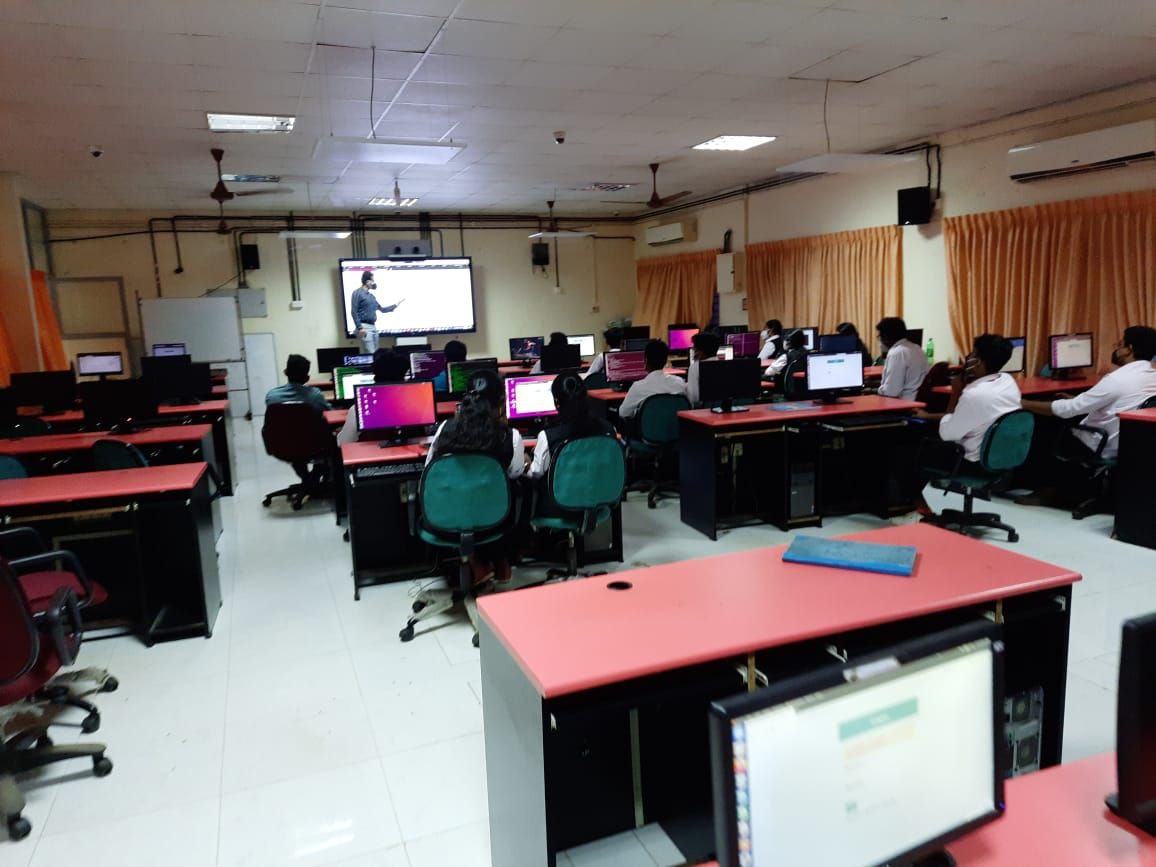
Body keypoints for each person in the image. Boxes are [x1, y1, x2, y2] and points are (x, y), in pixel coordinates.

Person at [1023, 326, 1156, 460]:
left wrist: (1023, 403)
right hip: (1135, 445)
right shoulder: (1152, 376)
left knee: (1047, 428)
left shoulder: (1117, 379)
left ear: (1129, 349)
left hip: (1100, 445)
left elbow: (1067, 409)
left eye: (1120, 344)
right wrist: (1080, 399)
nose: (1116, 349)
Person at [427, 369, 524, 479]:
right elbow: (515, 473)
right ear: (501, 404)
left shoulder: (444, 428)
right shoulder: (510, 437)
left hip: (451, 494)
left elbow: (429, 468)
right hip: (491, 496)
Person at [527, 373, 616, 479]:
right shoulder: (609, 429)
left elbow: (536, 473)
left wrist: (526, 463)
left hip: (564, 494)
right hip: (600, 492)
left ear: (556, 402)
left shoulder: (548, 437)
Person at [336, 348, 409, 446]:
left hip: (371, 460)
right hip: (415, 458)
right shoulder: (417, 405)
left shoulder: (359, 409)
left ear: (375, 377)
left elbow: (343, 443)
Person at [618, 339, 687, 419]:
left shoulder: (638, 387)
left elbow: (623, 413)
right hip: (675, 430)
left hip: (647, 430)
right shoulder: (679, 382)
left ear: (646, 360)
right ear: (665, 361)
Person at [350, 270, 404, 354]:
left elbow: (382, 309)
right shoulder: (357, 293)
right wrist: (360, 327)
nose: (374, 283)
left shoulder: (371, 297)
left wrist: (395, 305)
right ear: (367, 282)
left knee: (376, 354)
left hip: (373, 327)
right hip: (364, 326)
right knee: (370, 353)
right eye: (372, 281)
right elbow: (354, 311)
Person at [876, 317, 929, 401]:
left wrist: (876, 390)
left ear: (885, 337)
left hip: (903, 404)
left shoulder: (896, 353)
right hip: (918, 400)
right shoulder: (917, 348)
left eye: (880, 336)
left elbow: (892, 392)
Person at [265, 354, 330, 413]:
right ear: (306, 378)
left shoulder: (271, 396)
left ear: (285, 372)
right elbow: (329, 412)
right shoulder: (315, 396)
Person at [687, 330, 723, 407]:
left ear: (700, 351)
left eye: (694, 348)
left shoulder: (695, 367)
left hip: (703, 412)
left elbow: (694, 398)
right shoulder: (725, 365)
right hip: (723, 410)